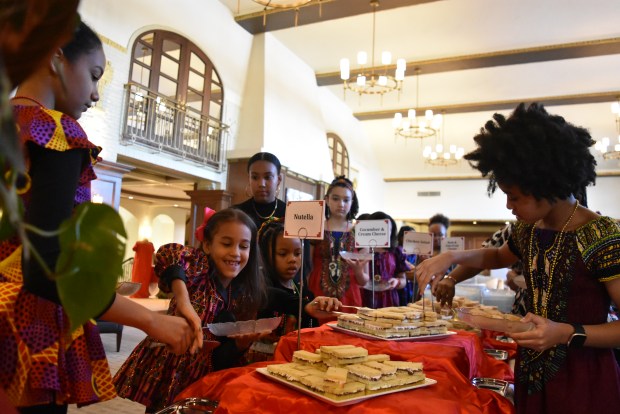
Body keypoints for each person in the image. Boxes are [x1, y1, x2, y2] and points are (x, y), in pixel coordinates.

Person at [0, 21, 194, 413]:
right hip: (25, 325)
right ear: (55, 54)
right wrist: (150, 320)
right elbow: (46, 267)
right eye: (93, 76)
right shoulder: (56, 132)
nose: (93, 93)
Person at [416, 103, 620, 413]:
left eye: (514, 195)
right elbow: (496, 254)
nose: (509, 205)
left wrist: (564, 332)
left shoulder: (601, 235)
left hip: (583, 379)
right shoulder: (528, 228)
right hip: (531, 373)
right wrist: (452, 257)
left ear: (543, 181)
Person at [114, 208, 268, 412]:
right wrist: (184, 300)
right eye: (226, 243)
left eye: (243, 246)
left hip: (205, 379)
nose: (235, 252)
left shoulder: (242, 294)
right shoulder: (199, 271)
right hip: (172, 369)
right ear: (207, 245)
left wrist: (240, 344)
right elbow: (169, 253)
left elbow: (223, 357)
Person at [248, 219, 342, 361]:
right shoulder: (260, 287)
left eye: (297, 254)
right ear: (266, 255)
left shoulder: (302, 291)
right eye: (283, 254)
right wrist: (305, 306)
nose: (292, 259)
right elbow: (274, 297)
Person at [308, 176, 368, 319]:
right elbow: (307, 268)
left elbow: (364, 280)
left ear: (352, 202)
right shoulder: (315, 229)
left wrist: (358, 270)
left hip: (349, 298)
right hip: (318, 294)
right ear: (327, 199)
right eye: (335, 199)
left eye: (346, 200)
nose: (341, 204)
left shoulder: (361, 232)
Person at [360, 212, 408, 308]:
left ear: (392, 231)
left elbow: (403, 279)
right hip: (364, 297)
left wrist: (397, 281)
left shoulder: (396, 252)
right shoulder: (361, 250)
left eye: (387, 229)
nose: (382, 233)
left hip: (389, 298)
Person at [232, 152, 286, 228]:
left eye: (268, 177)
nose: (261, 184)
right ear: (249, 179)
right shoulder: (236, 213)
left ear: (279, 180)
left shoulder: (290, 214)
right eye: (254, 177)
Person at [397, 225, 417, 304]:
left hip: (412, 285)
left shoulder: (415, 252)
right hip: (401, 284)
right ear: (402, 237)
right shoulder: (398, 251)